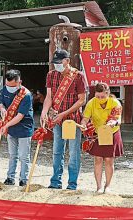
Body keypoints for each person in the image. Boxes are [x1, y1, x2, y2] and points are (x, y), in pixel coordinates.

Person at [40, 49, 86, 190]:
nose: (57, 65)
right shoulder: (51, 75)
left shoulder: (78, 76)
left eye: (60, 62)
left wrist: (64, 113)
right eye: (55, 63)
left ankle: (72, 184)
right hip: (57, 119)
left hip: (72, 119)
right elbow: (49, 96)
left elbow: (81, 100)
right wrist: (44, 111)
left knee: (73, 152)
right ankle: (55, 182)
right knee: (57, 150)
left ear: (67, 61)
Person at [80, 82, 123, 193]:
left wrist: (113, 123)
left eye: (103, 97)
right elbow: (85, 118)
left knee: (109, 160)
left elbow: (118, 119)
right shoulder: (91, 103)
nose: (100, 99)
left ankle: (107, 185)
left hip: (112, 131)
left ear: (108, 94)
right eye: (97, 96)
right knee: (98, 159)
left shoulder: (115, 103)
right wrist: (83, 124)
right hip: (97, 132)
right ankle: (98, 186)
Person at [0, 69, 34, 186]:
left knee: (24, 156)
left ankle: (24, 179)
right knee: (12, 154)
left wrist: (6, 125)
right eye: (8, 85)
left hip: (24, 127)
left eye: (12, 86)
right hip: (11, 129)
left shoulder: (26, 95)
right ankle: (10, 177)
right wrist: (2, 108)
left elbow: (20, 116)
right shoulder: (4, 89)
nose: (9, 88)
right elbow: (0, 101)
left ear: (19, 82)